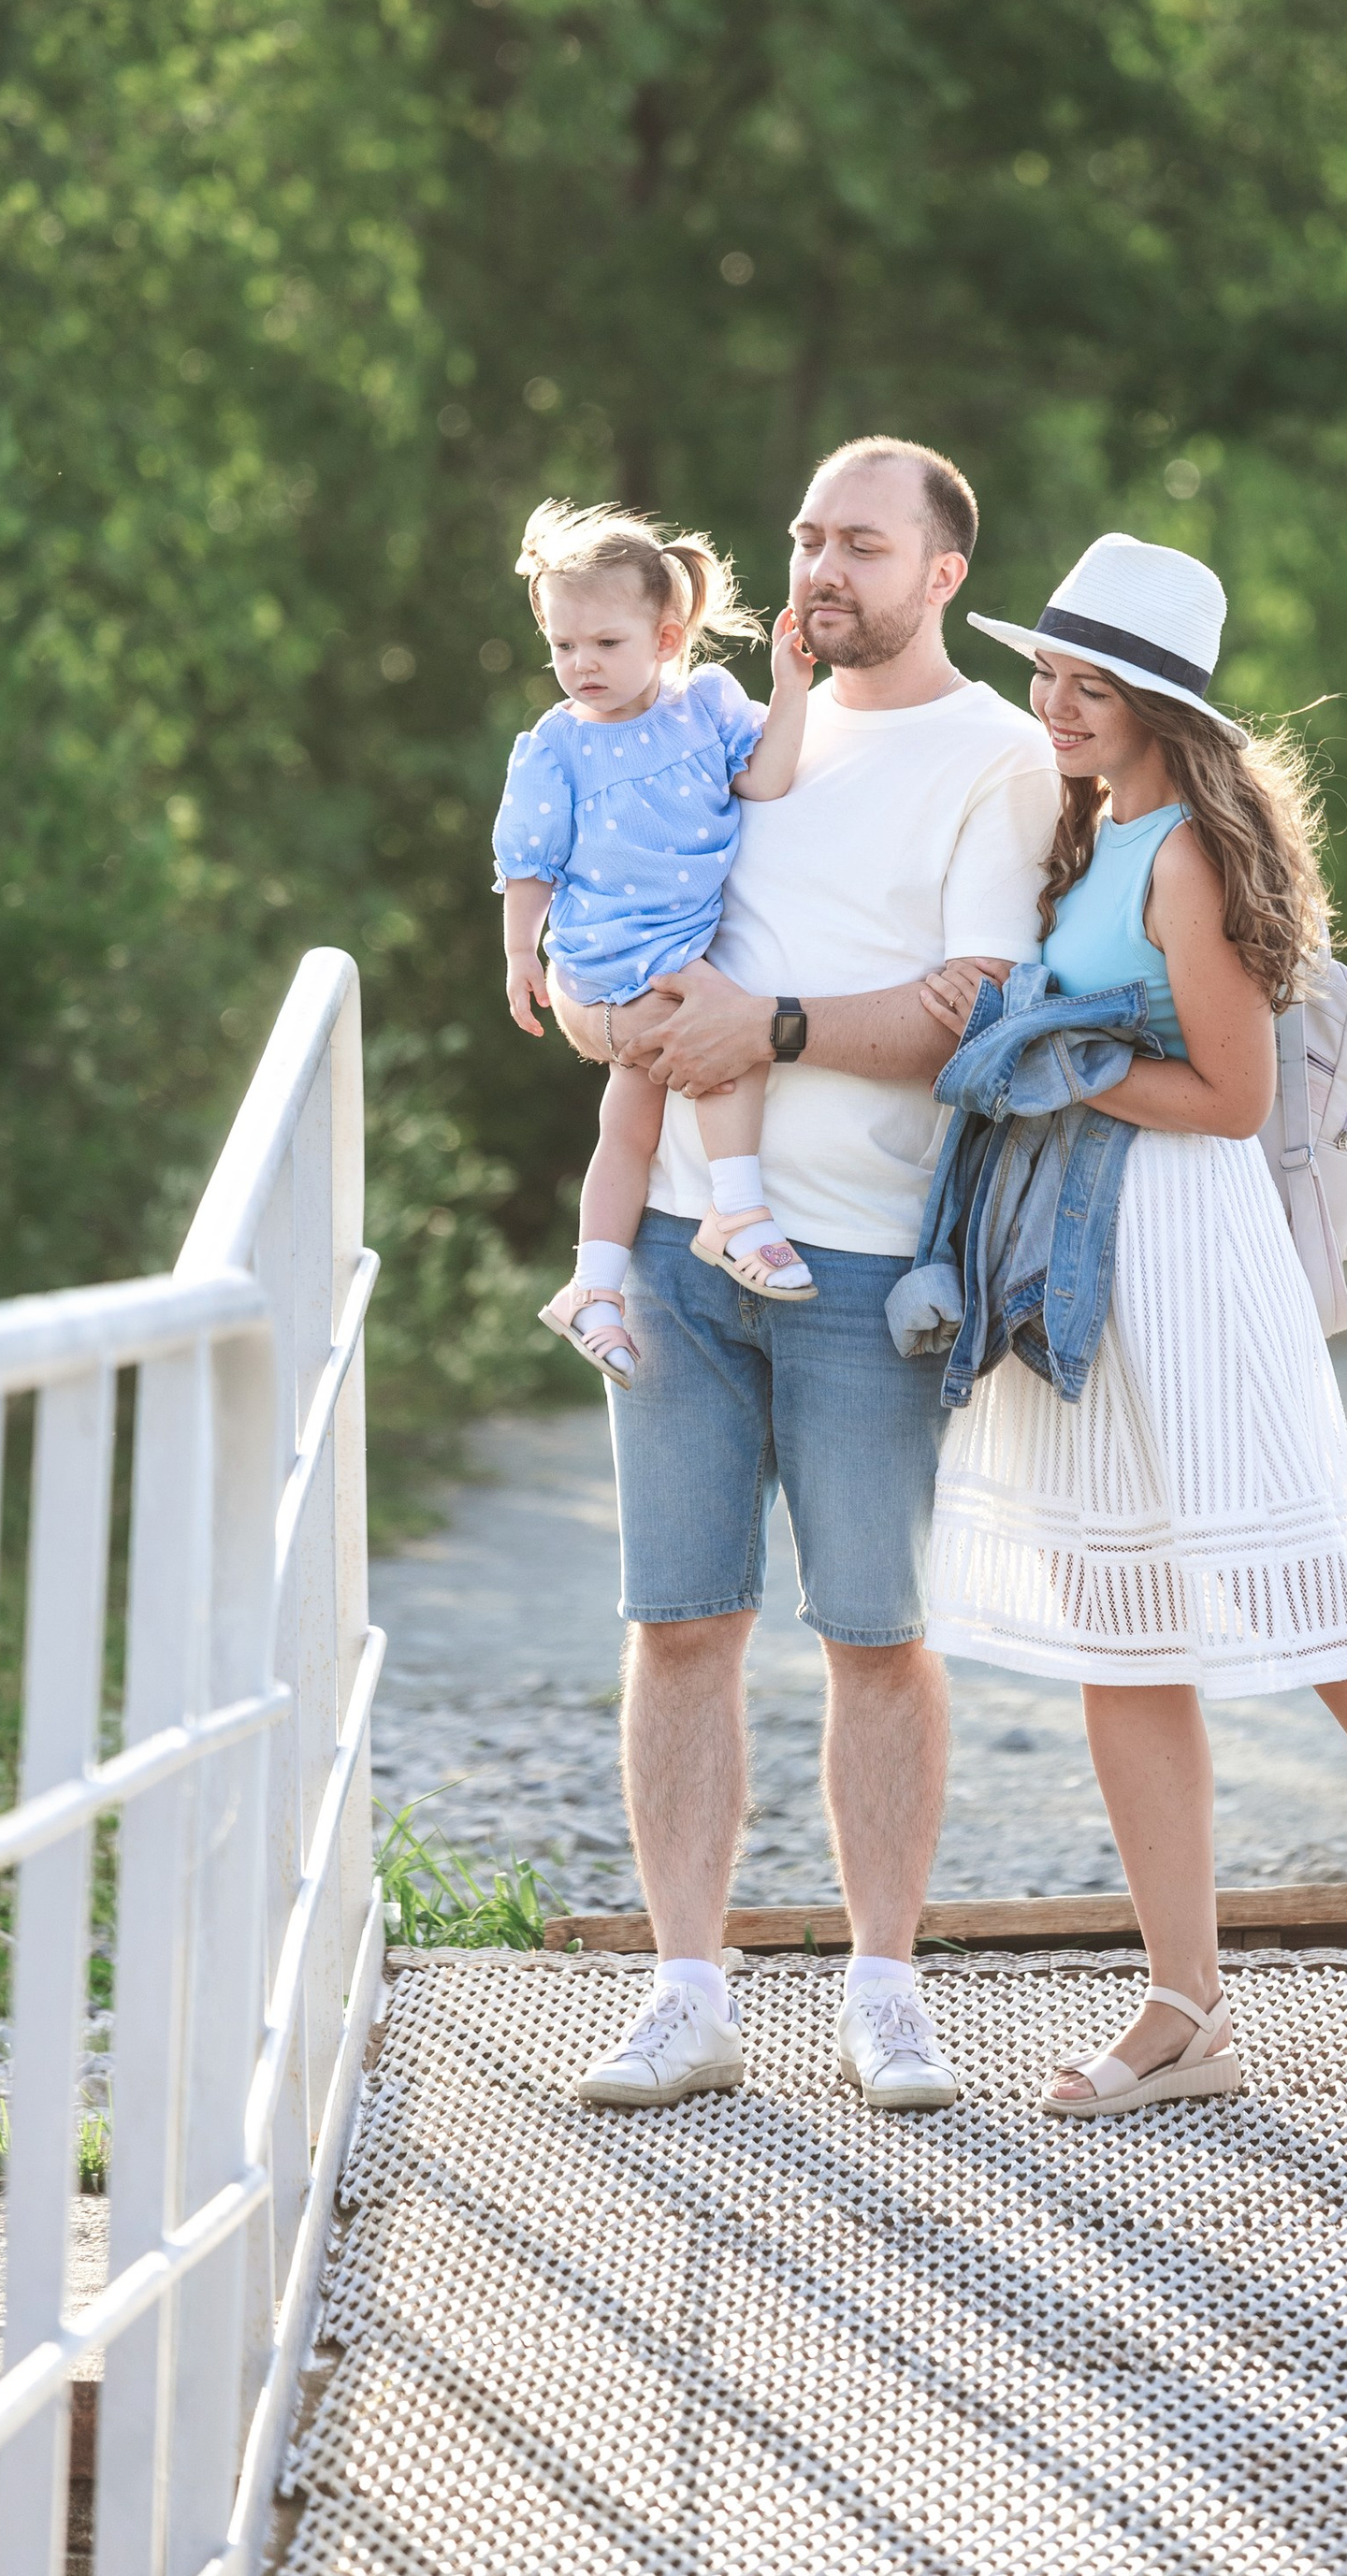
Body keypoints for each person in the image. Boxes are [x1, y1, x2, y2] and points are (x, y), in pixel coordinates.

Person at [924, 532, 1347, 2118]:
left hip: (1189, 1250)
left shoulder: (1186, 857)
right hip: (1089, 1259)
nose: (1054, 702)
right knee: (1122, 1624)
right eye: (1045, 672)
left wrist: (1058, 1060)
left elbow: (1232, 1099)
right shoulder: (1093, 834)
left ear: (1161, 704)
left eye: (1087, 683)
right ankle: (1185, 2007)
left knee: (1329, 1606)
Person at [545, 441, 1059, 2114]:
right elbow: (595, 927)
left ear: (943, 575)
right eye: (805, 539)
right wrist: (586, 1009)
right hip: (681, 1243)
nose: (823, 568)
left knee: (874, 1631)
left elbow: (973, 1004)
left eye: (862, 544)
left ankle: (887, 1994)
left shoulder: (997, 756)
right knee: (678, 1620)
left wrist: (759, 1028)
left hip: (858, 1254)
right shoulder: (710, 717)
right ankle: (688, 1994)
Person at [496, 501, 821, 1371]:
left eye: (604, 643)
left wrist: (791, 692)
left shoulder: (706, 706)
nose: (580, 665)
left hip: (671, 941)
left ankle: (593, 1285)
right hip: (615, 946)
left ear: (667, 637)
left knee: (628, 1124)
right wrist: (519, 953)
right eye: (564, 646)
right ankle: (737, 1209)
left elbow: (767, 778)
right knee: (734, 1038)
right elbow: (529, 863)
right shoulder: (556, 746)